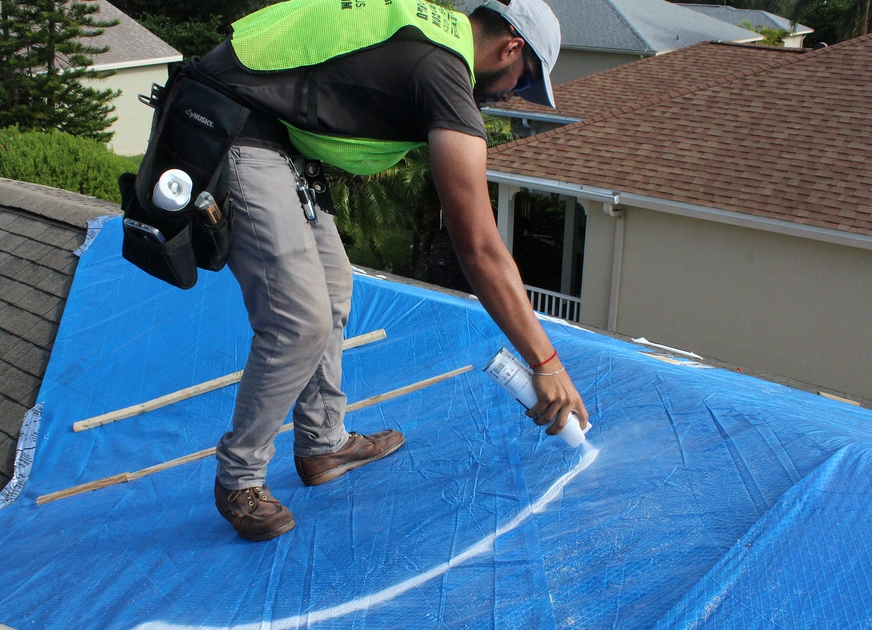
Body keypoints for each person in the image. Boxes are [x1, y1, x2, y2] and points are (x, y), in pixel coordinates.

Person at [198, 0, 589, 541]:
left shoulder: (434, 34)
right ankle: (239, 478)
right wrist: (545, 362)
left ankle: (323, 444)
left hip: (276, 132)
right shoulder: (444, 71)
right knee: (298, 321)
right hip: (232, 124)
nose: (512, 95)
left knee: (334, 289)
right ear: (511, 47)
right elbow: (478, 246)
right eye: (523, 80)